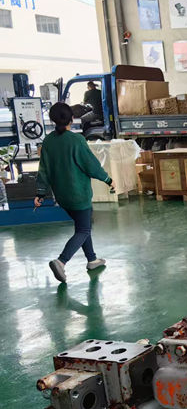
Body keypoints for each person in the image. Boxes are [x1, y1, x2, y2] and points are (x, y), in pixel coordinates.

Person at [35, 102, 115, 284]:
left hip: (62, 196)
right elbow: (91, 166)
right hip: (78, 193)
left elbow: (43, 170)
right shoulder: (76, 140)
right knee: (84, 229)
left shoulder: (48, 141)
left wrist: (40, 193)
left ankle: (92, 259)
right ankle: (61, 261)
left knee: (82, 226)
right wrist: (108, 180)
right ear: (71, 118)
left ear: (53, 120)